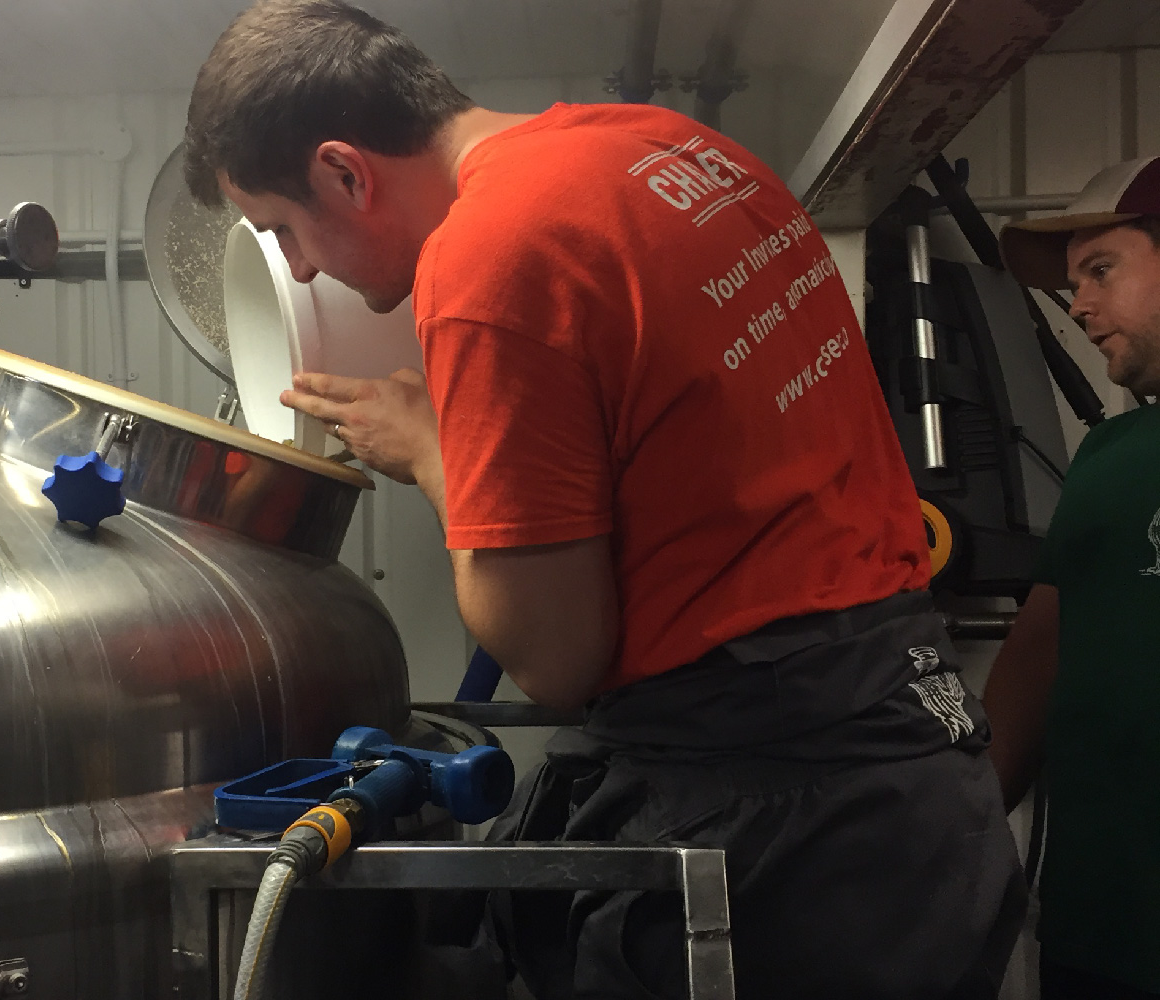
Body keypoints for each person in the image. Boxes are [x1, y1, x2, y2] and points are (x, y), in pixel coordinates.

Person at [184, 3, 1025, 996]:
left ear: (344, 172)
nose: (305, 268)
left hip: (783, 834)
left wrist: (435, 452)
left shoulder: (488, 254)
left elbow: (553, 658)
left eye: (285, 231)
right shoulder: (673, 152)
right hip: (918, 774)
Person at [986, 158, 1160, 1000]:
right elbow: (1033, 661)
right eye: (1073, 283)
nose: (1080, 307)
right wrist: (957, 842)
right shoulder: (1105, 458)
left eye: (1102, 271)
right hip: (1098, 927)